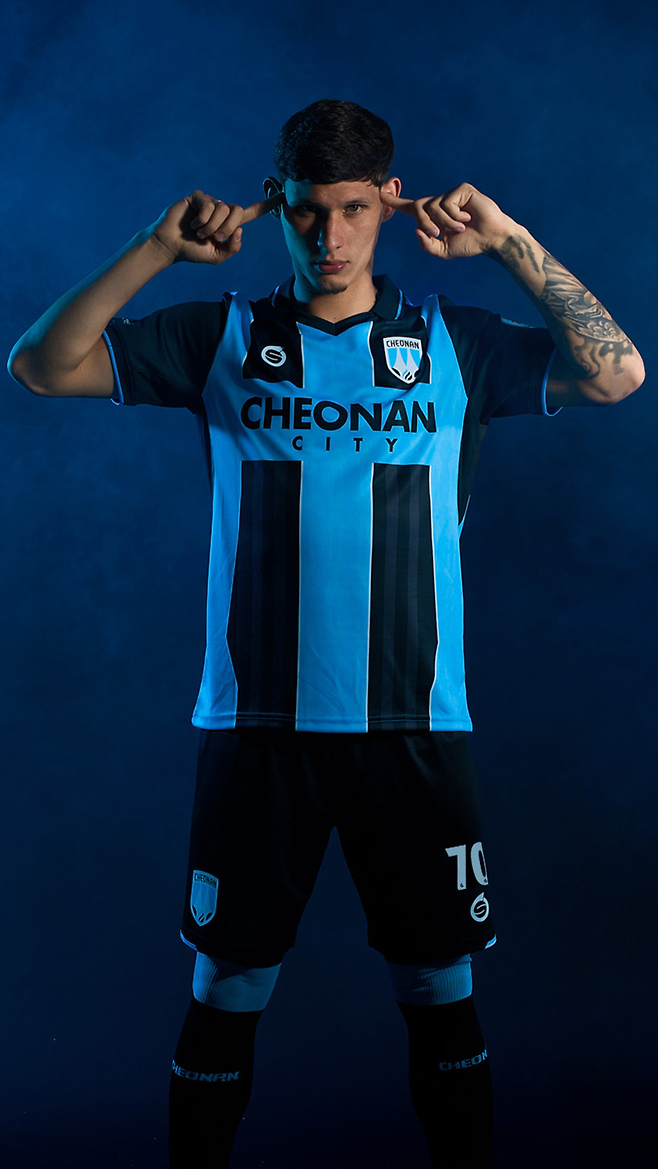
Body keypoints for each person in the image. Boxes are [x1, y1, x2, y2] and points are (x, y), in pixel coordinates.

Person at [8, 99, 644, 1168]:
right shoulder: (220, 336)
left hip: (415, 724)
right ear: (277, 204)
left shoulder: (452, 341)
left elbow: (617, 371)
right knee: (229, 981)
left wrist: (506, 241)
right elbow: (39, 362)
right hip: (260, 726)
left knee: (439, 985)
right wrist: (157, 246)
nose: (331, 235)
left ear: (389, 201)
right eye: (307, 211)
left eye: (353, 209)